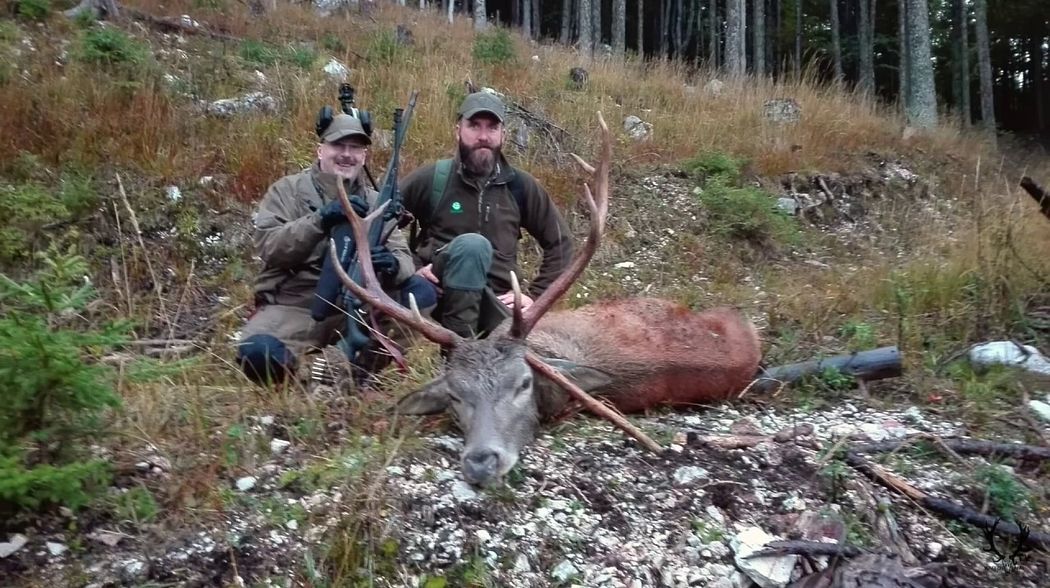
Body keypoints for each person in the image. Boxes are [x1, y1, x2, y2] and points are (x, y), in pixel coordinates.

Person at [236, 114, 434, 386]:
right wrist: (319, 221)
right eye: (338, 146)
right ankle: (306, 375)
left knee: (420, 293)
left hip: (359, 306)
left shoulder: (376, 202)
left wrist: (392, 265)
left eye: (355, 148)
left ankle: (359, 369)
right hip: (296, 306)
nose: (346, 154)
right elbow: (271, 248)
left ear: (364, 157)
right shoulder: (286, 192)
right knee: (257, 353)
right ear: (320, 150)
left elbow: (402, 255)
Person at [398, 91, 575, 339]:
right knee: (472, 247)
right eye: (474, 126)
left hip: (495, 301)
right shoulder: (433, 179)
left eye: (492, 128)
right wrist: (412, 268)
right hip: (438, 295)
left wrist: (536, 297)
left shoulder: (521, 187)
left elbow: (561, 244)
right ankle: (460, 352)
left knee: (542, 360)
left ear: (503, 134)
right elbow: (382, 226)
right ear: (458, 130)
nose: (483, 136)